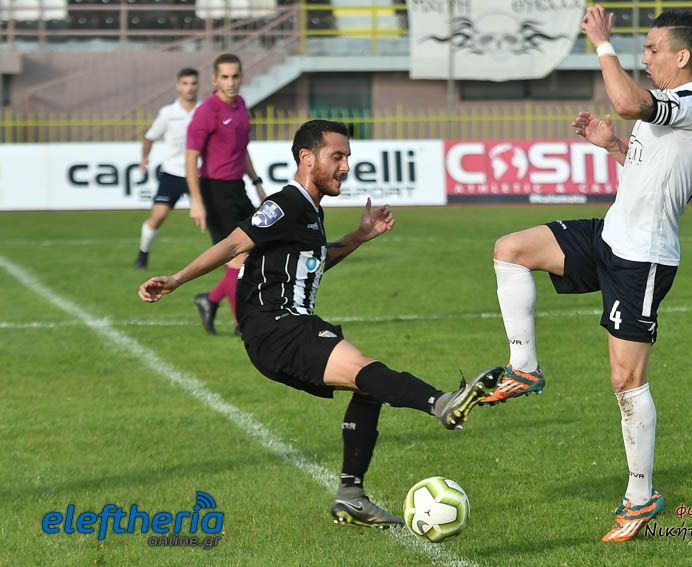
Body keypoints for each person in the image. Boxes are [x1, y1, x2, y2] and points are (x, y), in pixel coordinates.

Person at [139, 119, 503, 528]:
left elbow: (314, 262)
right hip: (279, 327)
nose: (345, 166)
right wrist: (176, 279)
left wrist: (360, 236)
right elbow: (233, 244)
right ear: (307, 158)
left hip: (284, 329)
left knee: (369, 385)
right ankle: (442, 403)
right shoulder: (287, 203)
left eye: (347, 157)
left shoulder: (310, 211)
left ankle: (351, 495)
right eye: (337, 156)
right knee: (368, 371)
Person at [478, 7, 692, 542]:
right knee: (511, 249)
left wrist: (602, 43)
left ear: (682, 56)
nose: (645, 57)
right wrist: (612, 147)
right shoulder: (672, 107)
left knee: (625, 381)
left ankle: (640, 495)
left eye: (653, 49)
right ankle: (524, 367)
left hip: (643, 259)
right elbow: (648, 167)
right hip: (609, 236)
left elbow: (627, 102)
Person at [185, 53, 266, 335]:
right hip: (214, 191)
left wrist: (257, 183)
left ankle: (210, 300)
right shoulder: (207, 111)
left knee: (257, 247)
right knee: (237, 256)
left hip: (237, 188)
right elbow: (190, 158)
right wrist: (196, 202)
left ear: (241, 77)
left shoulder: (241, 105)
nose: (230, 82)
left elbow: (242, 150)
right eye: (225, 77)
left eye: (235, 76)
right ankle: (243, 325)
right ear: (215, 79)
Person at [133, 68, 200, 269]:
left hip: (199, 173)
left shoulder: (205, 110)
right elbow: (149, 137)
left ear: (198, 85)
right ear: (178, 86)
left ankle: (229, 260)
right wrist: (145, 158)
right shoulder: (168, 113)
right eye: (185, 83)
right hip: (173, 172)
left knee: (214, 218)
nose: (189, 88)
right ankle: (143, 254)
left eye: (193, 83)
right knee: (159, 216)